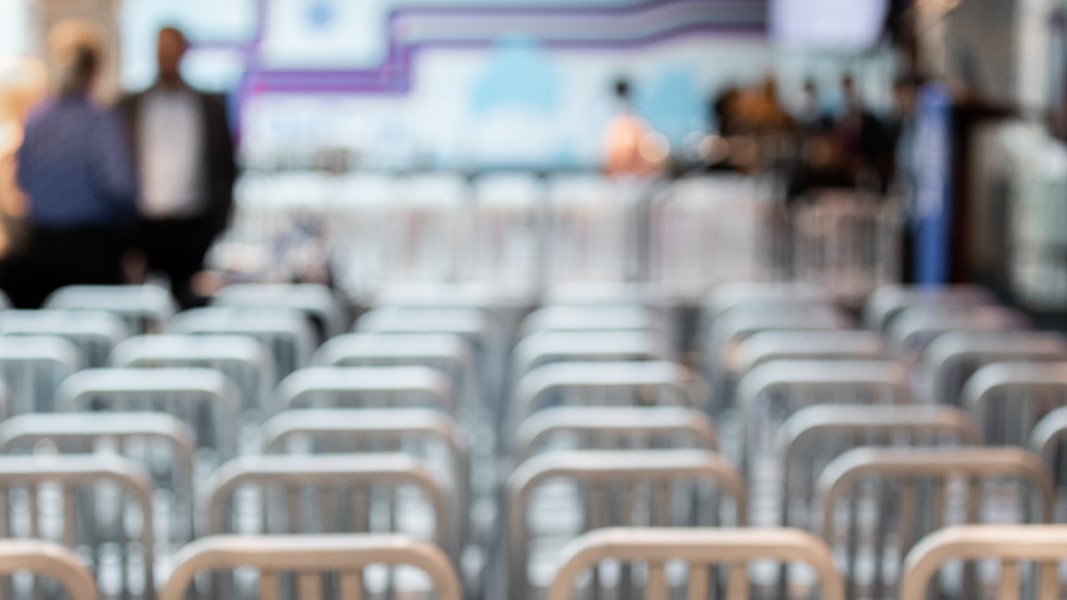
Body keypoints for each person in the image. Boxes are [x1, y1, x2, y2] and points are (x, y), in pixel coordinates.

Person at [8, 30, 137, 308]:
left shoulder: (35, 117)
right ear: (94, 70)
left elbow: (21, 179)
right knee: (97, 337)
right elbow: (118, 184)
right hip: (92, 249)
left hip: (42, 244)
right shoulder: (99, 119)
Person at [119, 26, 237, 309]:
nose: (166, 58)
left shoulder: (209, 105)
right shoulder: (129, 105)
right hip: (144, 223)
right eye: (162, 52)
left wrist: (219, 221)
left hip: (194, 222)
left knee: (191, 302)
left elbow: (226, 165)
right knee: (142, 308)